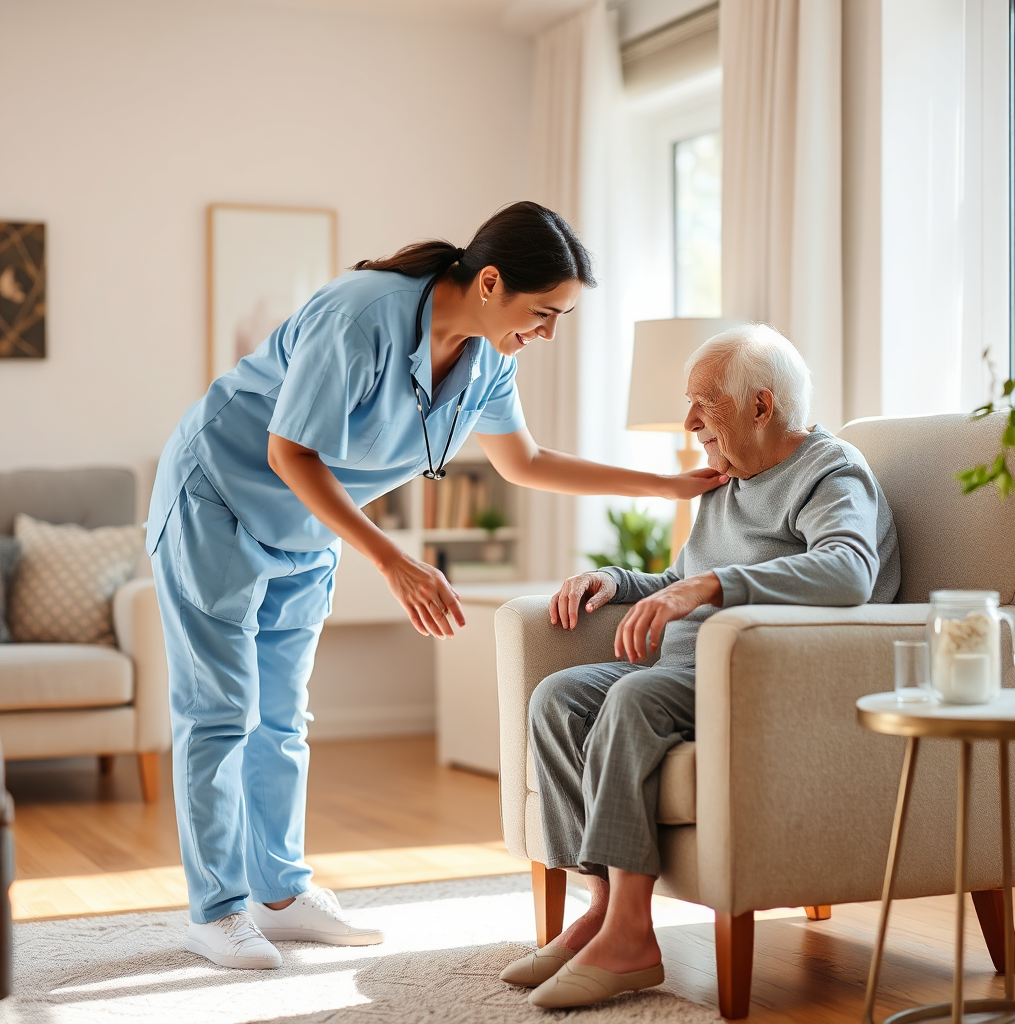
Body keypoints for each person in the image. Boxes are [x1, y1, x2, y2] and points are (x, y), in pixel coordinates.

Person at [146, 201, 728, 970]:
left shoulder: (489, 358)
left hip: (309, 525)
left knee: (282, 715)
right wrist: (392, 559)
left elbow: (525, 462)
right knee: (222, 710)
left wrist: (665, 485)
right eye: (543, 313)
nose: (548, 333)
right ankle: (216, 911)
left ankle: (278, 896)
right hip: (216, 499)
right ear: (490, 283)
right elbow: (289, 452)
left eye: (560, 318)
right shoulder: (360, 317)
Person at [504, 323, 900, 1009]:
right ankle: (604, 907)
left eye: (704, 403)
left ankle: (632, 939)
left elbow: (847, 571)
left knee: (634, 700)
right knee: (559, 698)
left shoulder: (832, 471)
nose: (689, 421)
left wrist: (713, 587)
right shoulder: (727, 480)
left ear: (760, 405)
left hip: (762, 674)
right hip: (687, 670)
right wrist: (616, 581)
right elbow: (680, 578)